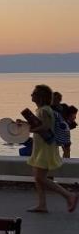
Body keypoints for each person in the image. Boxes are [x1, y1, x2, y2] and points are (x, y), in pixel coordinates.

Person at [25, 84, 77, 213]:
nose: (31, 95)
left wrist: (29, 130)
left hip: (45, 149)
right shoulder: (43, 110)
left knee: (40, 178)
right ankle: (42, 205)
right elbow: (40, 125)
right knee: (38, 177)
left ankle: (69, 195)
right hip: (41, 148)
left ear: (41, 97)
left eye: (34, 93)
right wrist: (24, 124)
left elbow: (46, 127)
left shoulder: (44, 110)